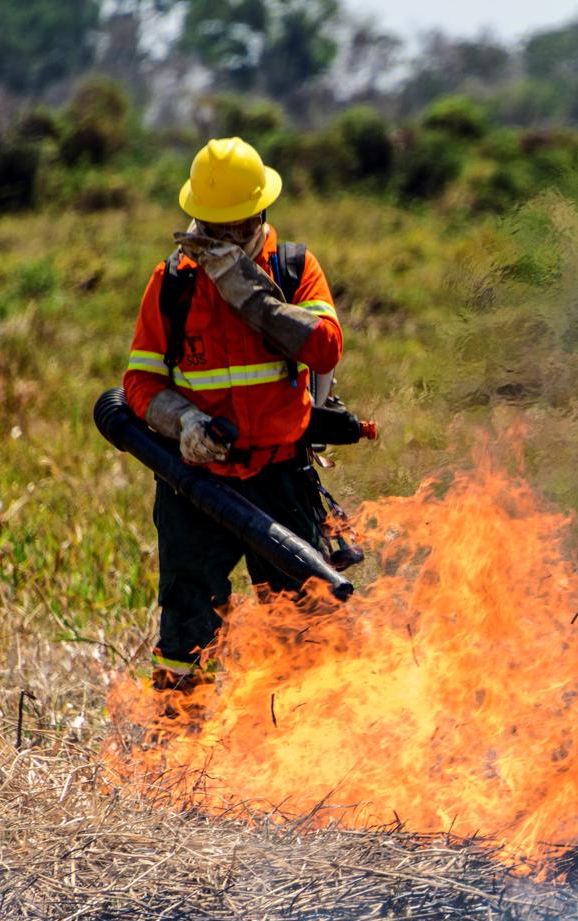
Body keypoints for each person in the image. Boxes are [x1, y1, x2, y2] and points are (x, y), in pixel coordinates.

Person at [121, 136, 345, 689]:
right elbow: (139, 382)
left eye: (236, 228)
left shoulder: (294, 269)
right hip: (196, 484)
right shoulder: (172, 283)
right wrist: (185, 423)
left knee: (303, 625)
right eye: (211, 229)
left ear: (261, 213)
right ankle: (176, 753)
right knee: (186, 628)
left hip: (281, 476)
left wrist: (247, 291)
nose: (222, 241)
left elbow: (324, 348)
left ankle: (309, 745)